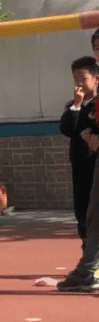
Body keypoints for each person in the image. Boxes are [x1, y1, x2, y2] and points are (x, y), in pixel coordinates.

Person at [59, 57, 99, 246]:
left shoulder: (96, 106)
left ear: (96, 79)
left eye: (83, 78)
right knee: (82, 215)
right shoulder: (74, 106)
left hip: (95, 168)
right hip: (80, 169)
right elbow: (68, 129)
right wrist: (76, 105)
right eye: (75, 79)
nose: (79, 84)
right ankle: (88, 262)